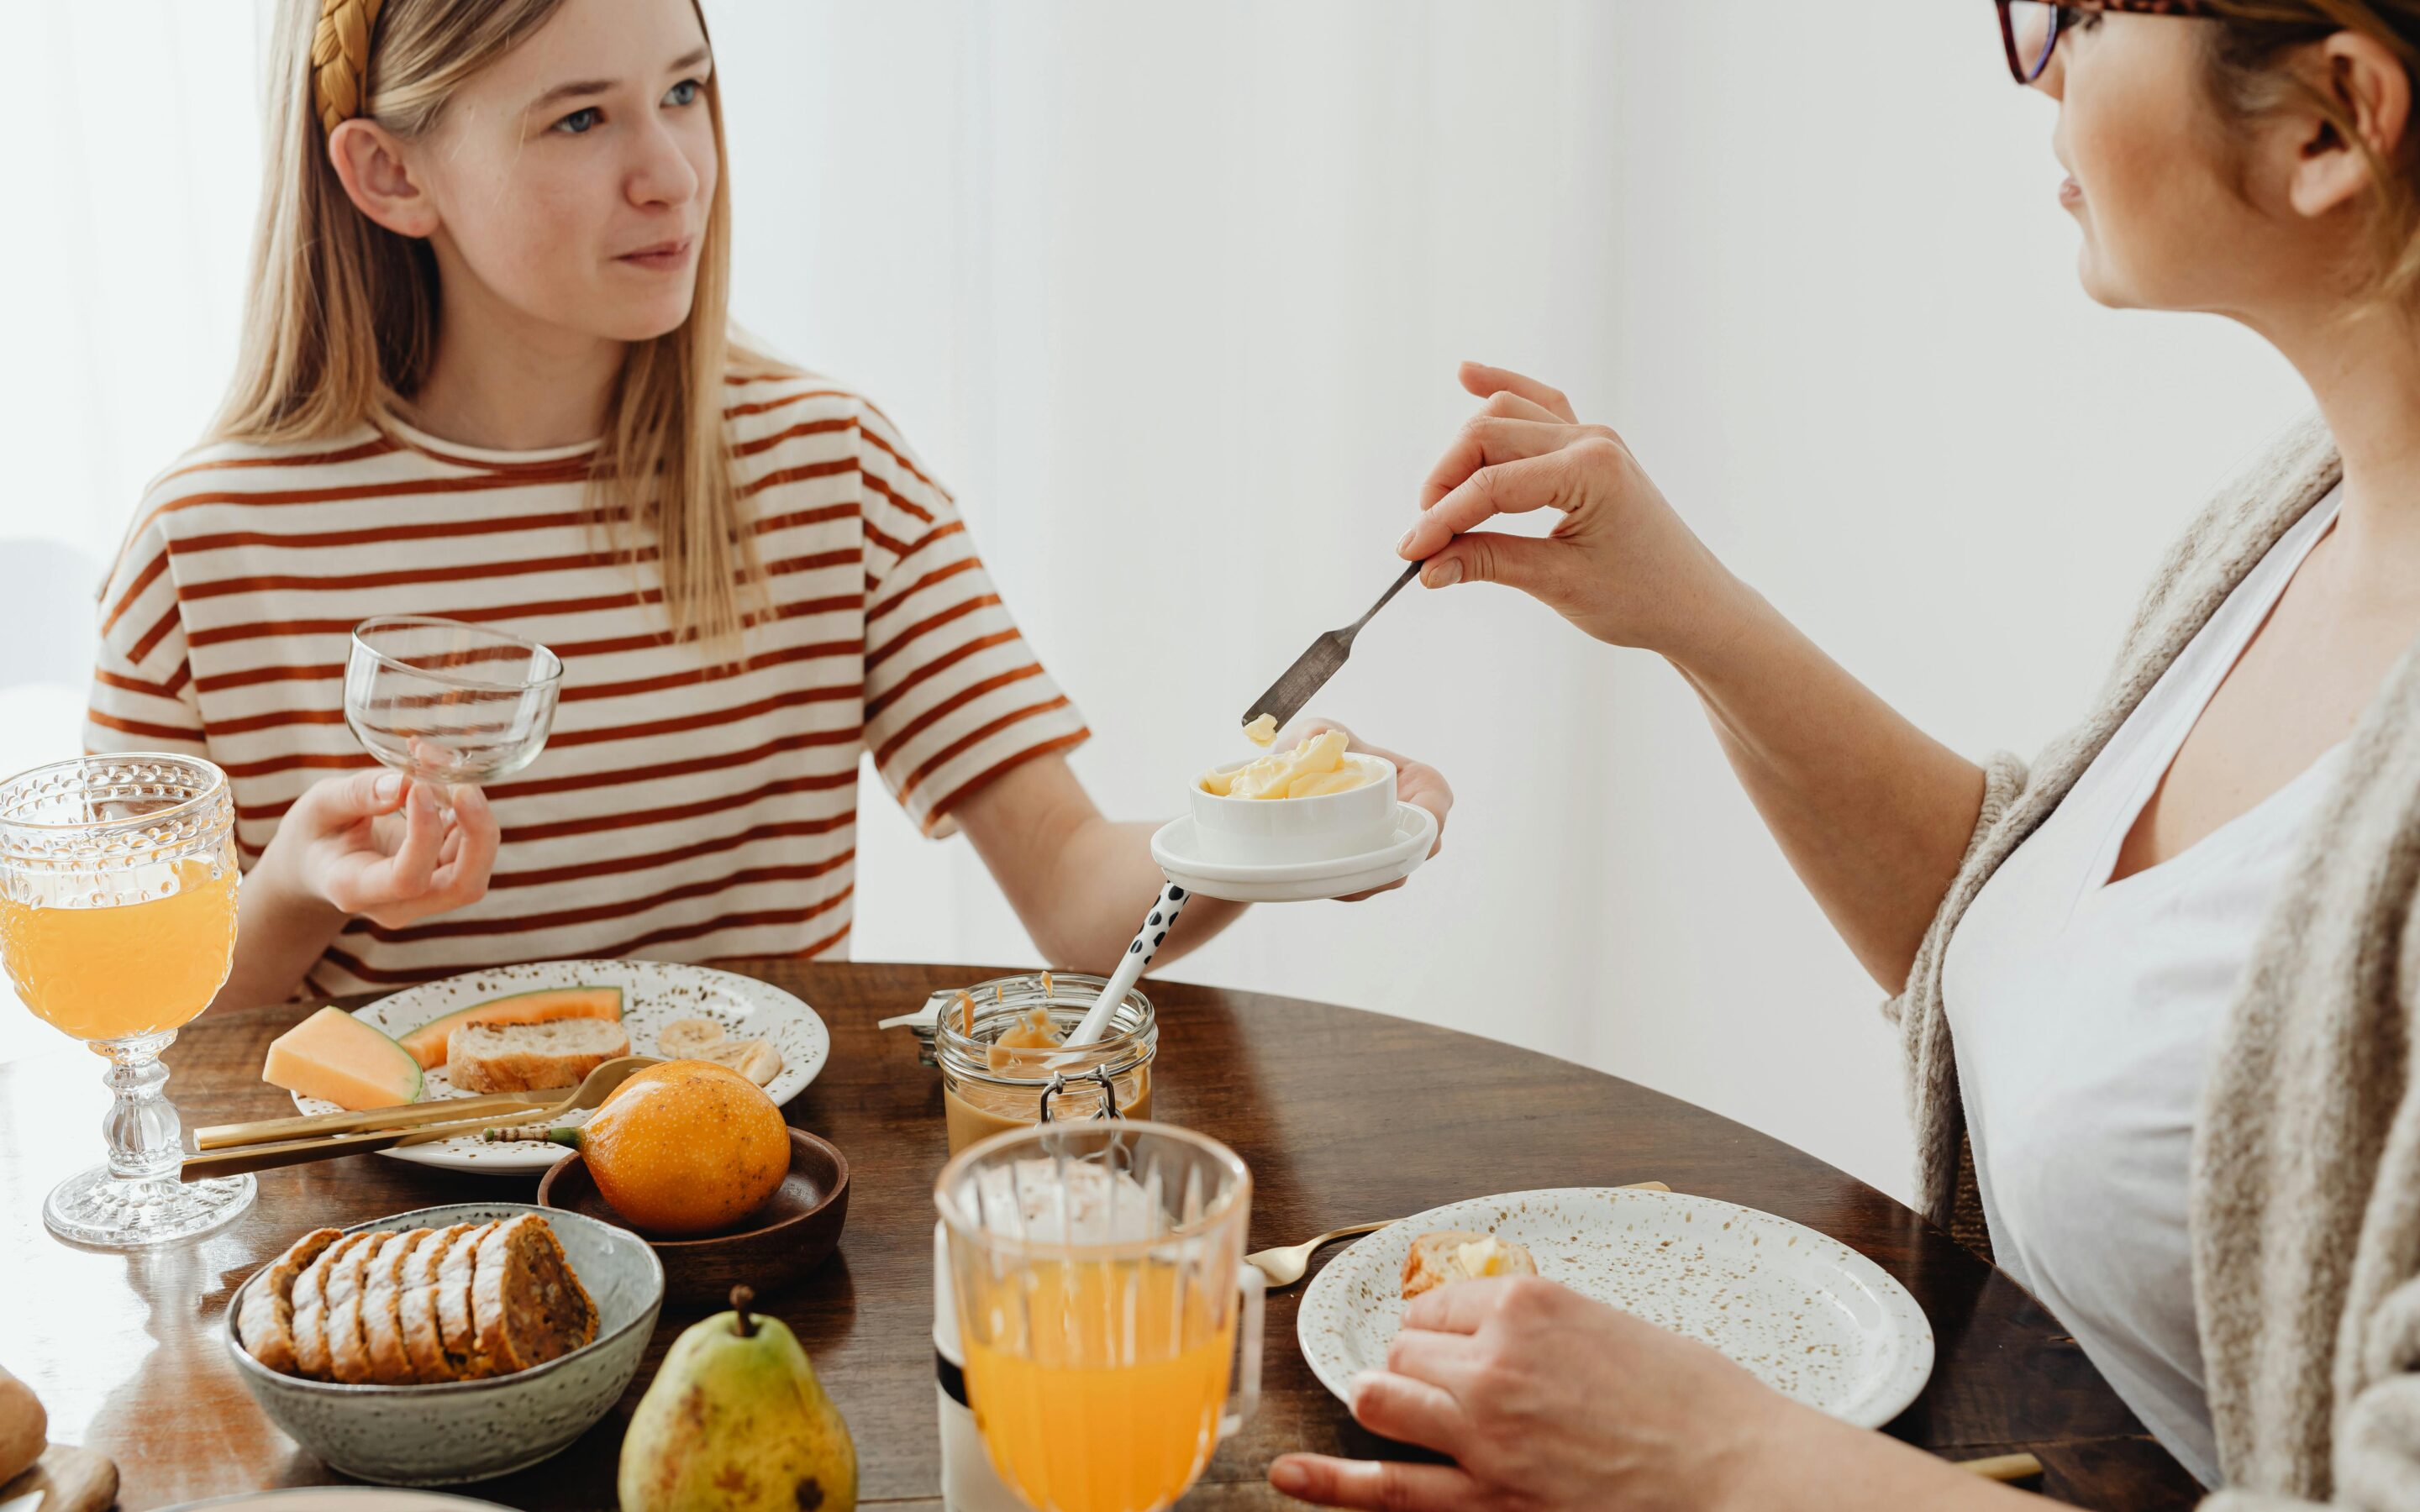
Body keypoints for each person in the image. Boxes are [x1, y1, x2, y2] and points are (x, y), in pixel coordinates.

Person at [1275, 2, 2420, 1509]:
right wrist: (1684, 606)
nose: (2040, 64)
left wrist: (1715, 1456)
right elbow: (2061, 955)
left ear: (2332, 119)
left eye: (2070, 11)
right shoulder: (2298, 516)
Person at [85, 0, 1448, 1006]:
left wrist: (1276, 830)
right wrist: (291, 893)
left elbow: (1080, 893)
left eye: (685, 91)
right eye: (580, 117)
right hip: (380, 1280)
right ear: (392, 175)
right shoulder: (203, 556)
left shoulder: (829, 473)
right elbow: (143, 1042)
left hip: (751, 1240)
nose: (671, 171)